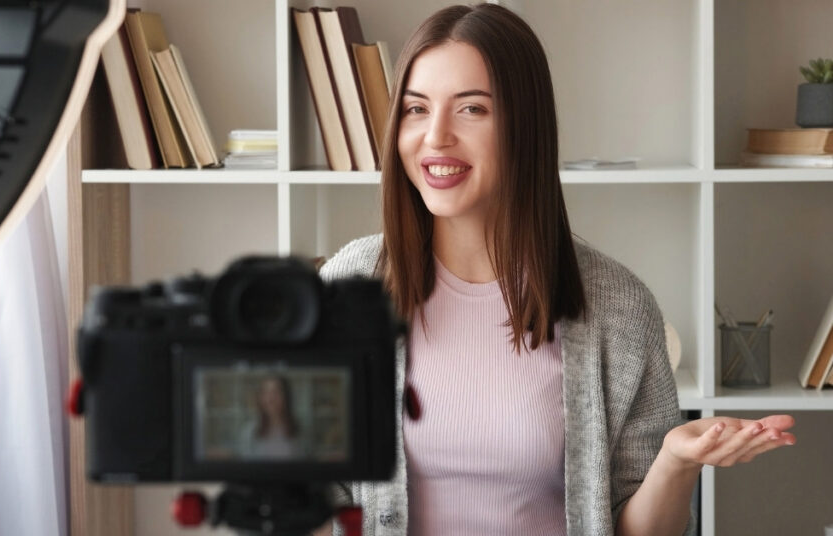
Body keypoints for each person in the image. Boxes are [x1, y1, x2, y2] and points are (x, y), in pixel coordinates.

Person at [318, 4, 796, 535]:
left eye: (472, 109)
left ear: (526, 125)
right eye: (415, 109)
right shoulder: (346, 287)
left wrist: (676, 464)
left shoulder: (618, 306)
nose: (436, 137)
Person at [239, 374, 304, 460]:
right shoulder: (249, 431)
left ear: (286, 397)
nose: (270, 398)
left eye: (276, 392)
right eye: (265, 393)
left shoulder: (299, 430)